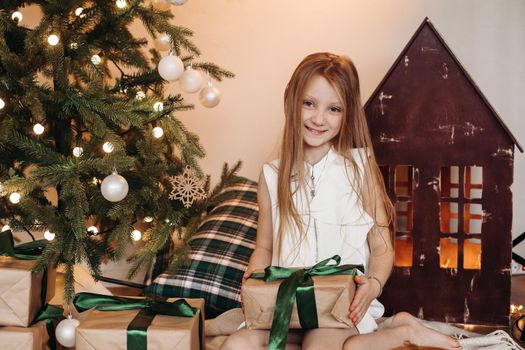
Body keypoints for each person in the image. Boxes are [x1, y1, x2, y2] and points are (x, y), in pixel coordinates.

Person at [221, 52, 461, 350]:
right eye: (308, 104)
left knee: (320, 347)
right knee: (236, 345)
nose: (318, 118)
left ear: (347, 113)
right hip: (288, 303)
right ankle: (394, 327)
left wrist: (372, 285)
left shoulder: (358, 169)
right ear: (290, 101)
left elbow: (381, 246)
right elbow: (265, 245)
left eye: (333, 109)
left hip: (340, 307)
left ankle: (402, 331)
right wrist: (253, 284)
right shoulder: (272, 175)